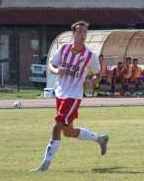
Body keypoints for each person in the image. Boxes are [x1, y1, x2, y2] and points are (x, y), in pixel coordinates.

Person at [32, 21, 109, 172]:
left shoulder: (90, 55)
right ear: (73, 34)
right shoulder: (64, 48)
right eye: (79, 32)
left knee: (57, 126)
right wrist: (56, 71)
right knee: (68, 132)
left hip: (73, 96)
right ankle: (100, 139)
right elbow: (51, 65)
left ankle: (45, 165)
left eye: (85, 32)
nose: (82, 35)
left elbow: (99, 73)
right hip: (60, 92)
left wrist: (94, 80)